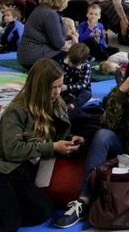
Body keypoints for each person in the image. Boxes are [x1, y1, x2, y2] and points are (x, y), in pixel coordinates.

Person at [55, 50, 129, 231]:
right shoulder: (118, 91)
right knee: (102, 134)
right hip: (124, 145)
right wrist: (119, 93)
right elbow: (108, 123)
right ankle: (84, 199)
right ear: (127, 72)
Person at [0, 59, 83, 232]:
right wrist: (52, 147)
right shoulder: (17, 110)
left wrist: (70, 138)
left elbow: (53, 135)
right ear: (38, 86)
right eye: (53, 87)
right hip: (5, 170)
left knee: (42, 211)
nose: (57, 92)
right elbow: (12, 151)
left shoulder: (56, 103)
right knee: (9, 224)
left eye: (60, 86)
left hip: (25, 172)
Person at [18, 0, 74, 69]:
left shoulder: (40, 9)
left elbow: (51, 35)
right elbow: (59, 44)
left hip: (25, 56)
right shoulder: (50, 14)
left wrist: (70, 36)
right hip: (36, 57)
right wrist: (75, 50)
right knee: (76, 58)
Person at [59, 42, 92, 112]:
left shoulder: (86, 66)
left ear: (81, 62)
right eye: (69, 61)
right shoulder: (63, 61)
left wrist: (67, 87)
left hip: (77, 89)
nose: (70, 64)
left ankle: (72, 105)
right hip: (63, 88)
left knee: (87, 94)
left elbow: (83, 84)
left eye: (74, 64)